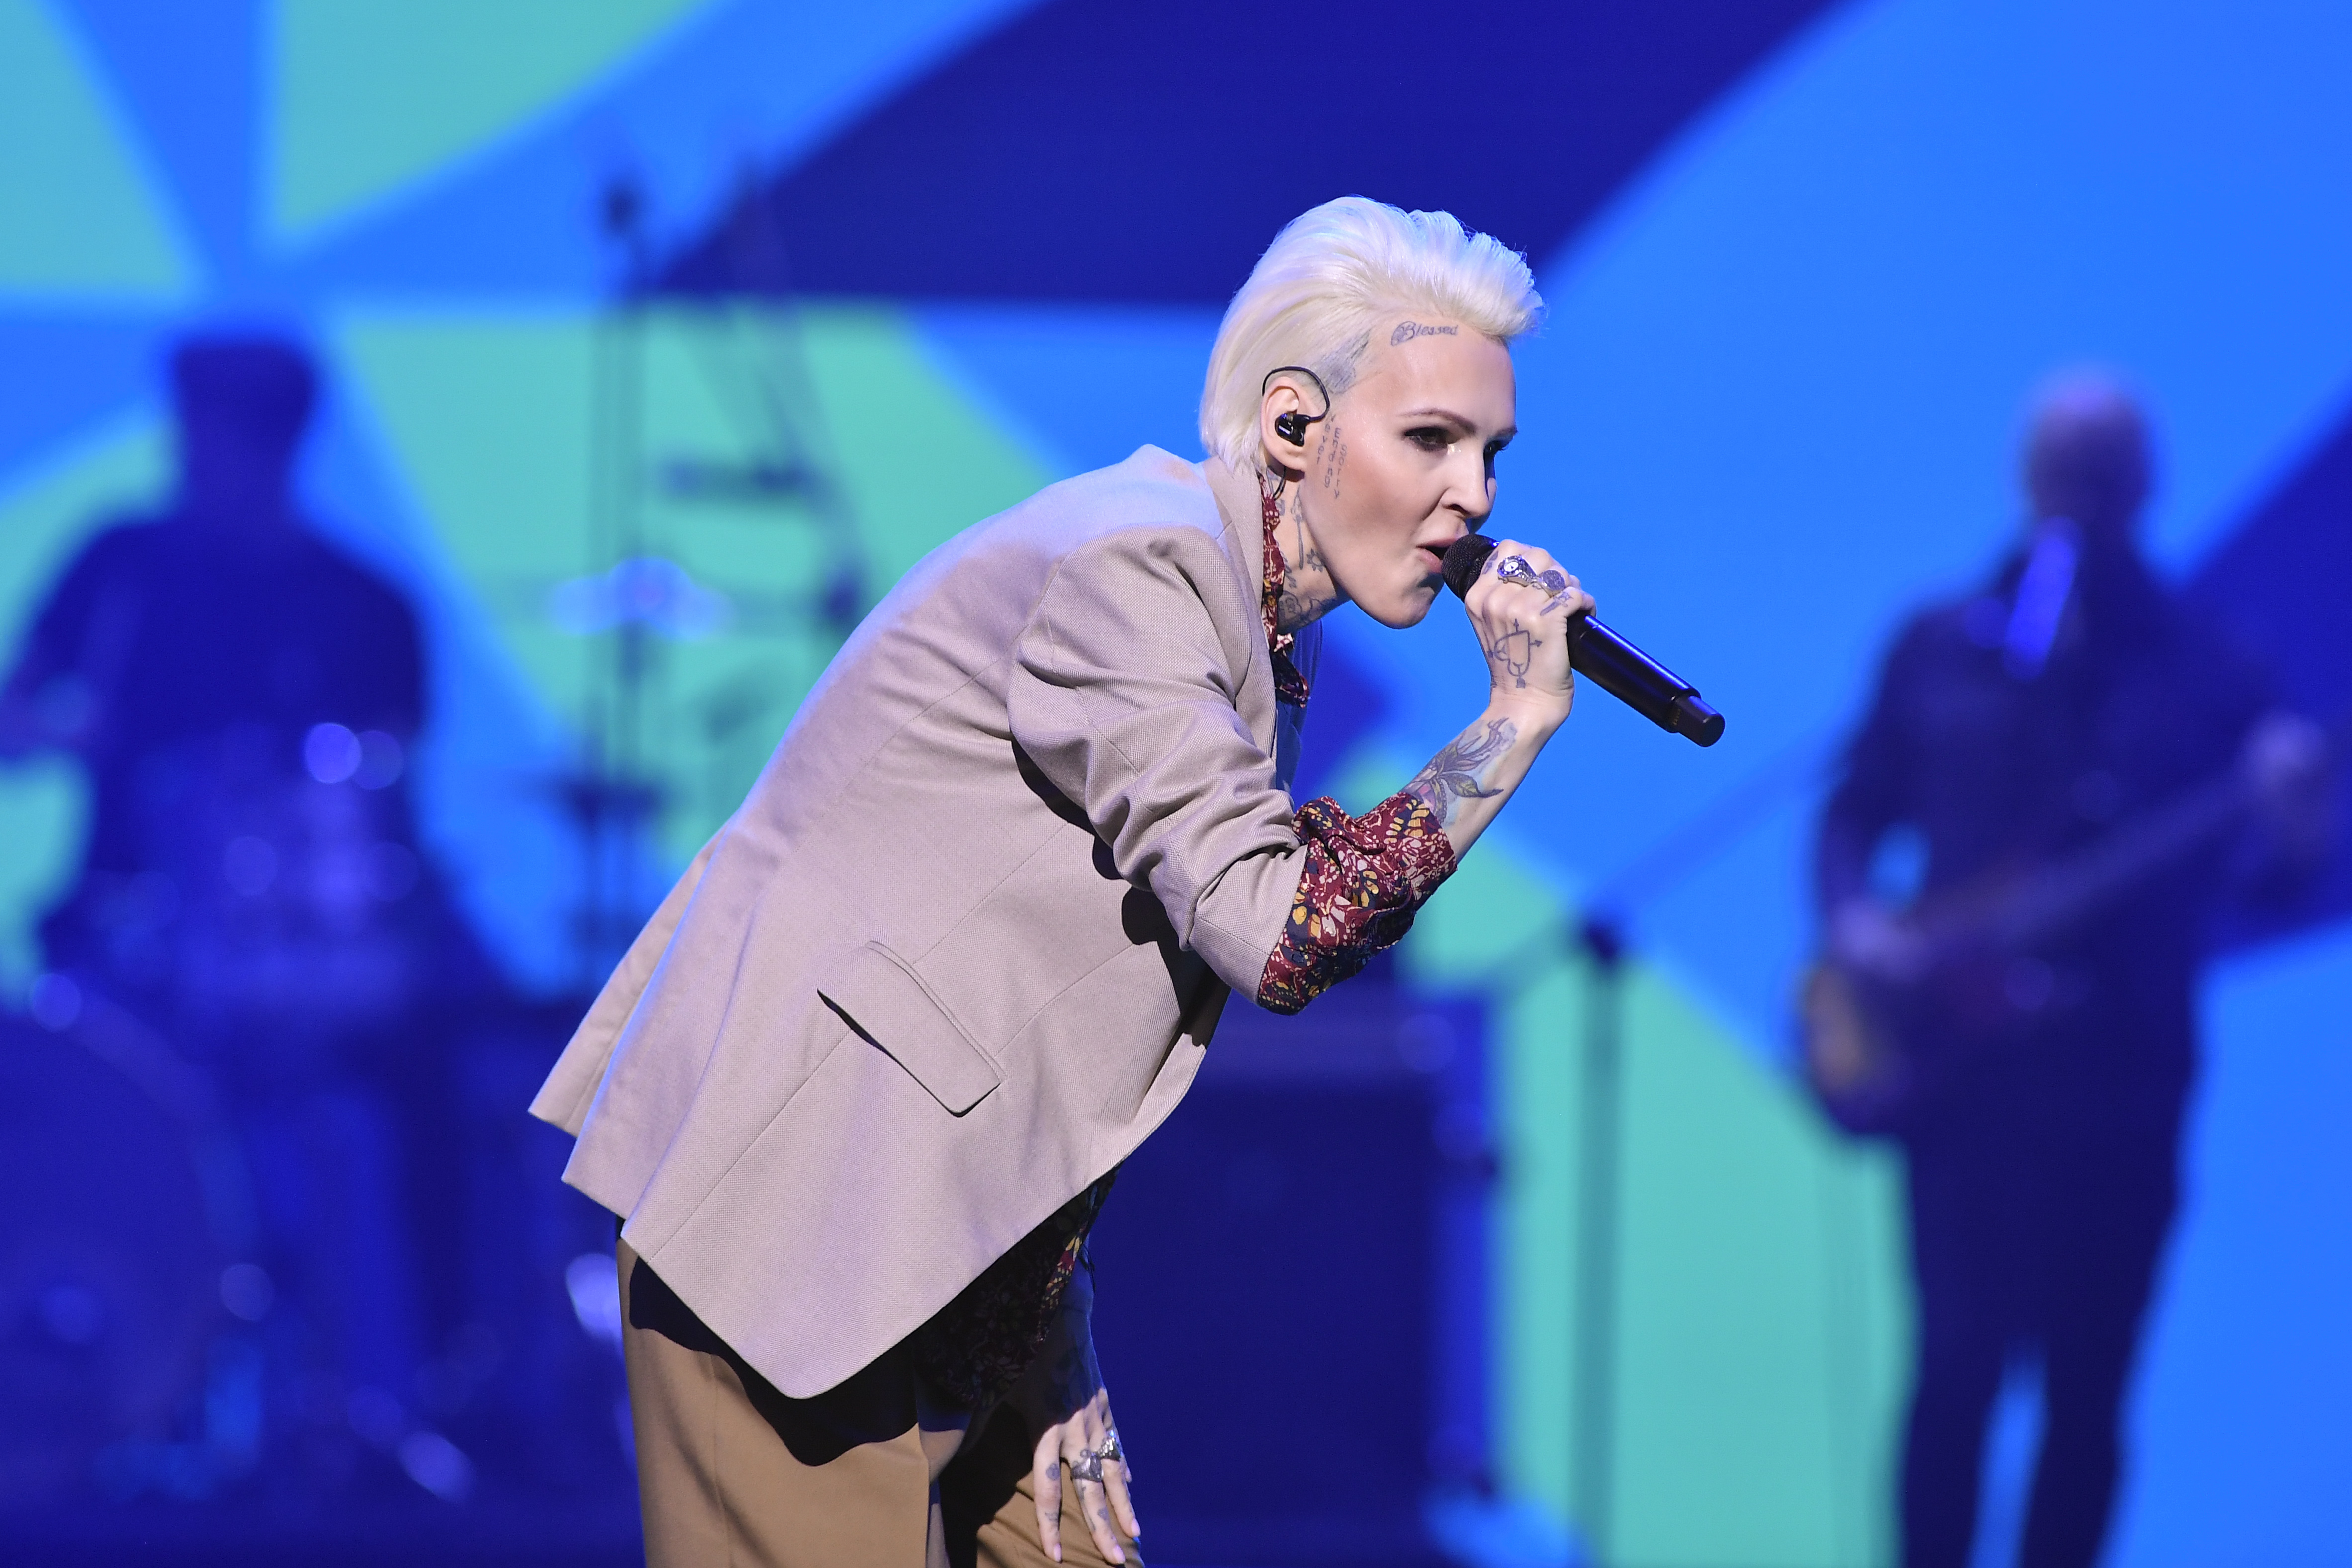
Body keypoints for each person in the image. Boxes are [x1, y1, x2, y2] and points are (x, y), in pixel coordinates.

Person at [530, 196, 1593, 1567]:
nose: (1475, 497)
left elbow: (1041, 996)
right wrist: (1511, 722)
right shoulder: (1138, 564)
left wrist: (1045, 1341)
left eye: (1490, 452)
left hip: (953, 1251)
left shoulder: (1247, 612)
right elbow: (1278, 930)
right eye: (1430, 440)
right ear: (1291, 424)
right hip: (804, 1228)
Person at [1813, 374, 2331, 1568]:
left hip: (2121, 1083)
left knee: (2086, 1388)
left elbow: (2265, 879)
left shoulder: (2210, 668)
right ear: (2028, 478)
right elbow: (1850, 813)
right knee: (1955, 1368)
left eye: (2104, 476)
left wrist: (2292, 826)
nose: (2082, 500)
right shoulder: (1945, 644)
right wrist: (1858, 928)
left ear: (2143, 488)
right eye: (2066, 473)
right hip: (1960, 1079)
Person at [0, 334, 494, 1491]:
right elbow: (16, 721)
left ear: (276, 442)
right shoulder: (122, 569)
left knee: (373, 1122)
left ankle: (383, 1402)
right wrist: (66, 726)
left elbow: (384, 810)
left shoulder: (364, 605)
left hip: (315, 985)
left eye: (218, 434)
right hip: (125, 937)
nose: (195, 457)